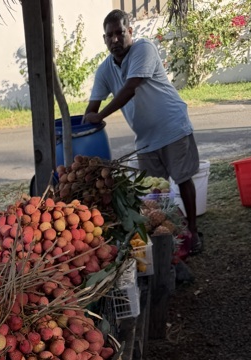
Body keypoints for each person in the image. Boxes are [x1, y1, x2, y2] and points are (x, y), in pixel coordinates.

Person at [84, 10, 202, 255]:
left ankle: (193, 231)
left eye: (119, 33)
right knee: (155, 193)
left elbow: (131, 88)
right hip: (145, 139)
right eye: (109, 35)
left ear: (130, 32)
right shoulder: (105, 70)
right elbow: (92, 108)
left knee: (182, 180)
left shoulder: (143, 49)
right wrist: (82, 127)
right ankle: (171, 235)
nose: (115, 39)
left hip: (172, 126)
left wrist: (101, 116)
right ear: (104, 39)